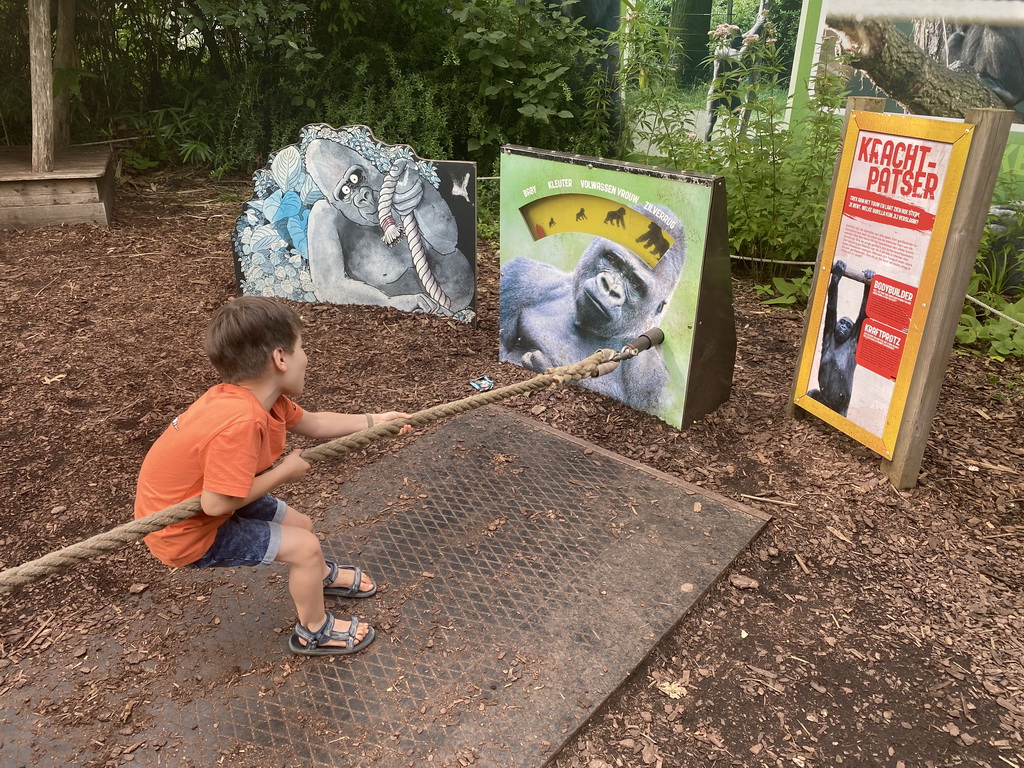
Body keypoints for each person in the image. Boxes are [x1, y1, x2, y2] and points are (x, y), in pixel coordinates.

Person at [134, 296, 412, 656]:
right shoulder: (240, 421)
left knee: (302, 524)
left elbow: (313, 422)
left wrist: (376, 421)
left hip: (216, 499)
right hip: (186, 532)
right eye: (302, 348)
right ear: (281, 359)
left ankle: (316, 577)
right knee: (304, 547)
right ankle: (313, 630)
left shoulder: (260, 398)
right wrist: (284, 473)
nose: (307, 357)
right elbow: (216, 504)